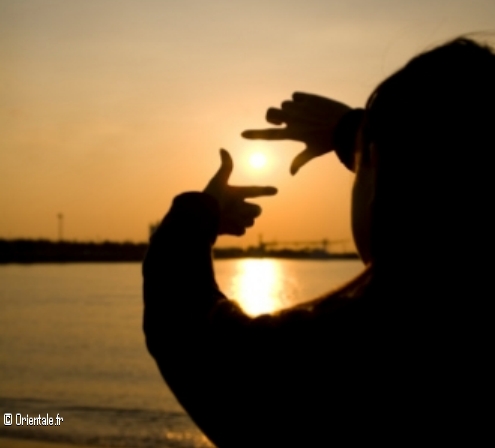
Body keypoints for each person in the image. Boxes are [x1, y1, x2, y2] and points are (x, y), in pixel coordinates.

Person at [143, 37, 494, 447]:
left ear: (380, 169)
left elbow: (191, 337)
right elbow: (455, 149)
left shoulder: (347, 360)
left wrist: (193, 218)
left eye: (363, 163)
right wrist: (355, 133)